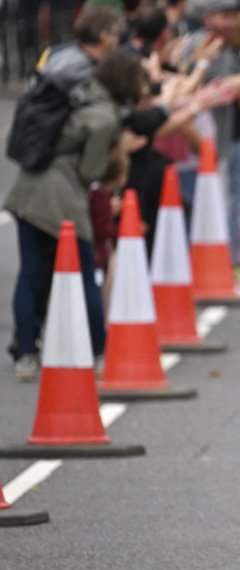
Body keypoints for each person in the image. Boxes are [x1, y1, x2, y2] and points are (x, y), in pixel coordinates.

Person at [5, 49, 147, 382]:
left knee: (31, 273)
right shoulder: (104, 116)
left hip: (27, 189)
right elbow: (91, 169)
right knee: (84, 273)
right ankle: (98, 349)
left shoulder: (77, 93)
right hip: (63, 198)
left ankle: (25, 351)